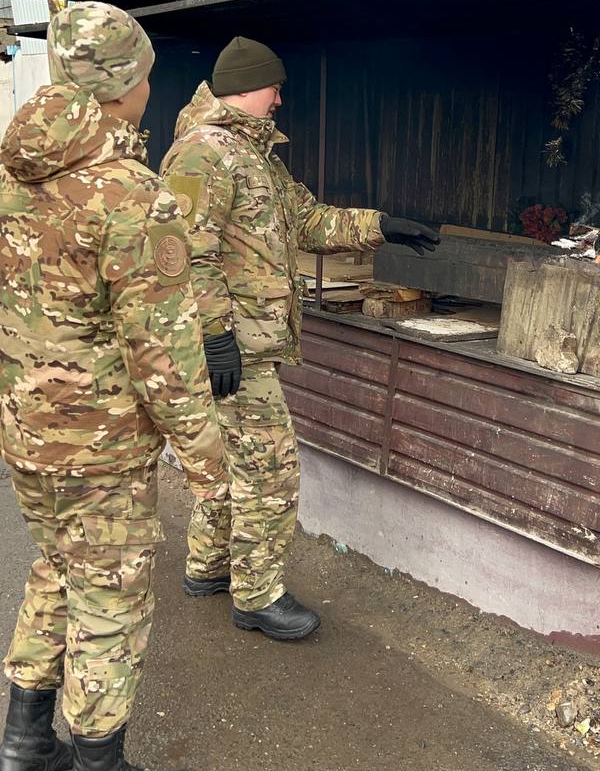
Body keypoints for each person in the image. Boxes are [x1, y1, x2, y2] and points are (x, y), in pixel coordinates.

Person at [0, 3, 227, 771]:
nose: (150, 90)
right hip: (101, 445)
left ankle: (23, 752)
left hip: (27, 430)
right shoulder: (131, 195)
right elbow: (163, 351)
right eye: (146, 76)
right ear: (125, 84)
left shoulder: (12, 175)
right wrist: (206, 458)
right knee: (111, 595)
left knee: (57, 572)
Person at [161, 35, 439, 642]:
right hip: (234, 346)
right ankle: (257, 597)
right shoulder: (204, 153)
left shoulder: (252, 153)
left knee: (232, 462)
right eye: (275, 87)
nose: (280, 100)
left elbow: (308, 220)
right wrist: (215, 335)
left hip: (246, 342)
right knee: (269, 472)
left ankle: (209, 567)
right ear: (248, 87)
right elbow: (186, 253)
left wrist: (383, 226)